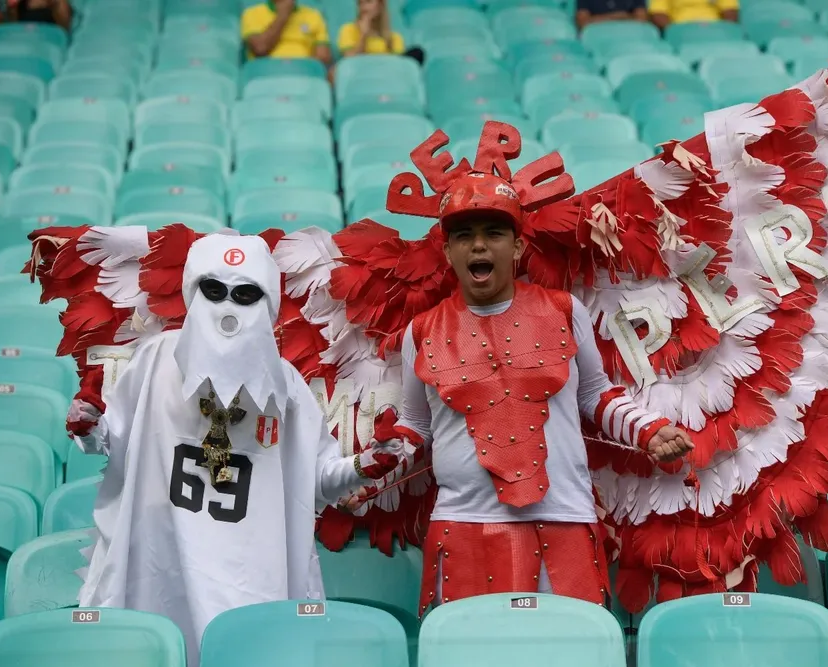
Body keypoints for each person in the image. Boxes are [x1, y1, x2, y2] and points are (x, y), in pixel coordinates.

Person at [345, 158, 694, 613]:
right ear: (447, 251)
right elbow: (415, 426)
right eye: (464, 236)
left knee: (571, 655)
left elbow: (595, 395)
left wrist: (647, 430)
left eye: (493, 233)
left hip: (565, 520)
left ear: (516, 247)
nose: (478, 246)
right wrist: (365, 470)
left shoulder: (566, 311)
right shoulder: (420, 332)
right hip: (463, 525)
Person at [68, 234, 398, 667]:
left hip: (250, 571)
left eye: (244, 294)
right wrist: (88, 425)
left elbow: (315, 479)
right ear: (193, 292)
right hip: (163, 564)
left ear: (267, 302)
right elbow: (113, 440)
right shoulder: (154, 361)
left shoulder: (287, 389)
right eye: (214, 290)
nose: (227, 308)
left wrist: (364, 464)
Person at [241, 0, 332, 66]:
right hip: (266, 76)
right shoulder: (252, 13)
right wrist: (283, 14)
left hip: (302, 76)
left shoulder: (313, 15)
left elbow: (323, 57)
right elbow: (260, 48)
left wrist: (296, 68)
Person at [338, 0, 403, 56]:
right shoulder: (348, 30)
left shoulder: (394, 38)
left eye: (368, 1)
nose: (363, 8)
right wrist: (363, 35)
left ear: (380, 5)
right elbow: (348, 62)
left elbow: (397, 67)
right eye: (360, 3)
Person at [649, 0, 739, 30]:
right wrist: (675, 32)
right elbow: (658, 14)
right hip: (682, 29)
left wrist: (721, 30)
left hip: (713, 28)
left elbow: (730, 12)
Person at [576, 0, 648, 30]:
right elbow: (583, 23)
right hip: (600, 37)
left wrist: (598, 19)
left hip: (629, 35)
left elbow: (642, 19)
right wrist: (618, 17)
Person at [5, 0, 71, 29]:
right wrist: (12, 8)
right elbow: (13, 27)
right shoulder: (19, 3)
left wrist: (55, 4)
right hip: (25, 41)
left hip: (49, 42)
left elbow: (65, 28)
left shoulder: (58, 2)